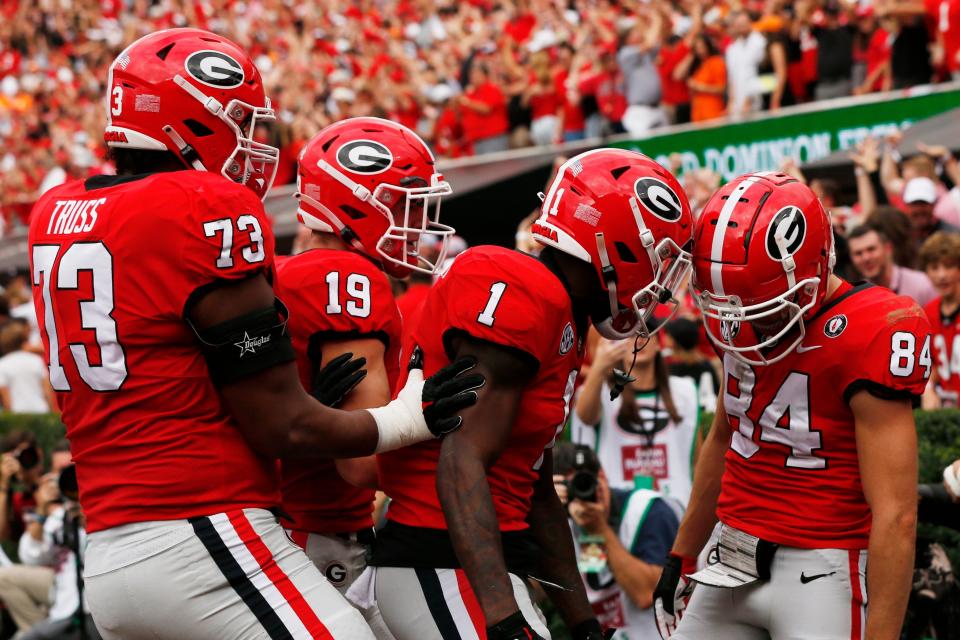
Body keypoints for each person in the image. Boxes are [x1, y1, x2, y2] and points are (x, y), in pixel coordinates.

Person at [27, 29, 482, 640]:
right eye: (240, 120)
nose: (254, 143)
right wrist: (411, 417)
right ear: (191, 118)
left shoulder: (53, 212)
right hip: (202, 531)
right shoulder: (203, 203)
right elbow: (285, 425)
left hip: (107, 551)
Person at [367, 148, 695, 640]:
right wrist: (502, 617)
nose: (661, 284)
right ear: (616, 245)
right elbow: (462, 457)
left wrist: (584, 621)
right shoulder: (520, 286)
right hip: (436, 558)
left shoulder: (565, 312)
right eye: (658, 259)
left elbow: (533, 486)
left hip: (487, 561)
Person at [654, 173, 931, 640]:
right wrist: (681, 554)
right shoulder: (737, 319)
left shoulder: (872, 328)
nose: (743, 321)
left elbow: (897, 513)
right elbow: (726, 436)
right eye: (730, 305)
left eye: (758, 302)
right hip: (731, 549)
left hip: (826, 562)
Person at [276, 116, 453, 611]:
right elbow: (361, 460)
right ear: (357, 205)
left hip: (289, 526)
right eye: (404, 205)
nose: (418, 225)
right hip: (317, 538)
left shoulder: (292, 269)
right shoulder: (343, 275)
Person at [554, 443, 683, 640]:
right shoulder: (569, 524)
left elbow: (647, 594)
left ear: (603, 476)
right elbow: (591, 578)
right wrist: (545, 510)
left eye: (586, 482)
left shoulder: (649, 510)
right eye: (573, 487)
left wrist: (598, 529)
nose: (584, 495)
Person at [571, 332, 701, 507]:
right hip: (620, 507)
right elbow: (586, 417)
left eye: (646, 333)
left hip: (675, 506)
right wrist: (599, 367)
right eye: (630, 335)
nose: (638, 340)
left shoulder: (683, 392)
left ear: (658, 344)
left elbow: (698, 459)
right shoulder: (601, 392)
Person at [848, 224, 938, 306]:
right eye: (858, 253)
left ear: (888, 248)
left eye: (871, 249)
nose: (866, 258)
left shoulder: (921, 285)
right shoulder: (858, 296)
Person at [919, 232, 960, 408]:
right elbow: (933, 363)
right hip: (945, 410)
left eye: (949, 266)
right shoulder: (928, 311)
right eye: (934, 267)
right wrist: (928, 389)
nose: (942, 275)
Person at [0, 320, 56, 414]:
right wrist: (51, 413)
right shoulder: (36, 360)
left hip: (17, 414)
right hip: (41, 411)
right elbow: (47, 390)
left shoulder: (2, 364)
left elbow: (6, 398)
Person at [725, 12, 767, 118]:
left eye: (743, 24)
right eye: (738, 25)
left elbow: (760, 72)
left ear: (750, 23)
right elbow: (732, 78)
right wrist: (731, 101)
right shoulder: (732, 49)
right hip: (737, 103)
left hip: (757, 99)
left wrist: (749, 98)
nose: (741, 27)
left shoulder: (760, 42)